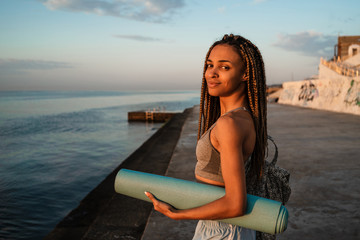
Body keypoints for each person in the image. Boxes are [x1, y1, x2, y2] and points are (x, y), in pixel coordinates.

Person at [145, 34, 268, 240]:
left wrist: (177, 214)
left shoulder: (229, 123)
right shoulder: (243, 117)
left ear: (245, 74)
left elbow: (235, 204)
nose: (212, 73)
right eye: (210, 65)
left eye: (224, 67)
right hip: (229, 228)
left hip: (223, 229)